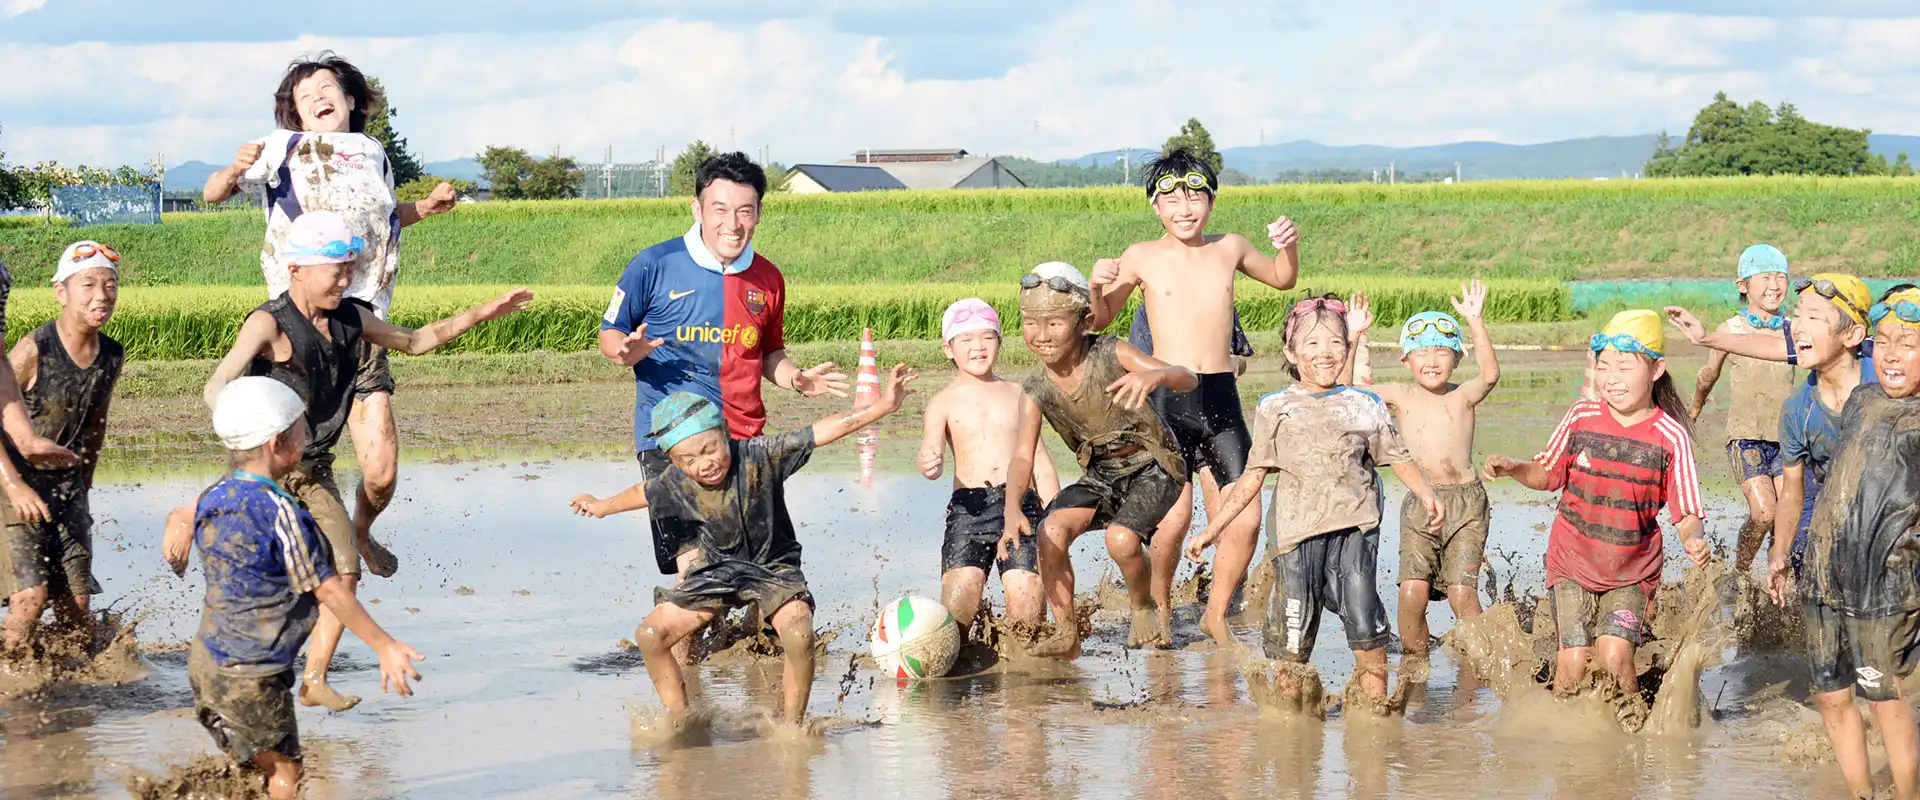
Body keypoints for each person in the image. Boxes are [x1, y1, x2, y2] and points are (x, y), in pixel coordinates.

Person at [184, 211, 527, 712]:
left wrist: (482, 314)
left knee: (344, 573)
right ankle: (230, 671)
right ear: (297, 268)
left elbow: (414, 341)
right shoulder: (268, 323)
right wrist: (245, 428)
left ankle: (313, 680)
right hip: (259, 473)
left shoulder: (351, 317)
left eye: (349, 269)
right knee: (252, 580)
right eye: (334, 270)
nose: (344, 279)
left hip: (313, 469)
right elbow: (217, 386)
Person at [201, 52, 462, 580]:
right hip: (297, 326)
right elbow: (212, 193)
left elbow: (384, 220)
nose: (319, 96)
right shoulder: (284, 147)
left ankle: (358, 531)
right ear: (294, 115)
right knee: (289, 462)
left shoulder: (374, 153)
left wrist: (424, 209)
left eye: (328, 87)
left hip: (360, 322)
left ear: (350, 100)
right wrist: (234, 167)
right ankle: (274, 553)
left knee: (382, 472)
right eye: (305, 95)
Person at [573, 367, 916, 727]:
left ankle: (792, 728)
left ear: (724, 432)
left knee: (799, 634)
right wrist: (601, 505)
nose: (704, 464)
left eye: (709, 449)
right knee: (650, 635)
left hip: (774, 568)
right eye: (689, 460)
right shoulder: (675, 481)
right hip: (716, 571)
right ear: (675, 462)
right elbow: (641, 492)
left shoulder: (760, 454)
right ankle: (681, 721)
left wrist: (882, 406)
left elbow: (823, 431)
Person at [598, 152, 848, 601]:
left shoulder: (768, 277)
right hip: (672, 443)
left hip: (743, 441)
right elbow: (611, 332)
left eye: (744, 211)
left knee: (759, 565)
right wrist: (624, 351)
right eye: (720, 209)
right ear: (698, 209)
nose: (732, 223)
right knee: (695, 571)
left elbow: (768, 352)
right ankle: (686, 660)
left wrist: (796, 379)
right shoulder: (654, 265)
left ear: (758, 214)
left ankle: (751, 661)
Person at [1086, 147, 1301, 646]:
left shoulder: (1230, 247)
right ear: (1155, 208)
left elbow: (1283, 278)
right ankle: (1159, 610)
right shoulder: (1141, 256)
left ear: (1211, 201)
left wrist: (1289, 246)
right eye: (1173, 201)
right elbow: (1100, 321)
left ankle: (1216, 613)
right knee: (1173, 521)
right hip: (1167, 403)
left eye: (1196, 198)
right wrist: (1098, 287)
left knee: (1245, 520)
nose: (1185, 209)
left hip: (1222, 399)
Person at [1190, 294, 1443, 703]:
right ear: (1291, 351)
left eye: (1335, 344)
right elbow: (1254, 476)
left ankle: (1373, 719)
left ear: (1348, 347)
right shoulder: (1276, 407)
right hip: (1295, 539)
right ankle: (1291, 728)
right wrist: (1212, 529)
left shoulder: (1365, 404)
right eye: (1311, 345)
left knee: (1366, 630)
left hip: (1354, 532)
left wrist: (1428, 495)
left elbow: (1399, 458)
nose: (1325, 354)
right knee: (1293, 646)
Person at [188, 377, 423, 800]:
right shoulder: (281, 510)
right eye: (302, 429)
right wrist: (384, 645)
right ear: (279, 442)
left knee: (249, 764)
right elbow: (328, 589)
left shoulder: (213, 495)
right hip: (253, 671)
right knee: (287, 771)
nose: (308, 436)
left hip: (206, 663)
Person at [1482, 310, 1710, 727]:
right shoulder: (1581, 417)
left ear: (1657, 369)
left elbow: (1687, 511)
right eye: (1603, 366)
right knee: (1571, 661)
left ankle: (1629, 731)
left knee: (1614, 653)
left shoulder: (1671, 435)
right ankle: (1574, 745)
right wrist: (1514, 467)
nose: (1611, 377)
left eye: (1624, 366)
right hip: (1571, 562)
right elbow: (1548, 474)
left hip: (1631, 572)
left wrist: (1693, 537)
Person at [997, 262, 1196, 659]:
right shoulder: (1036, 389)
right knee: (1050, 531)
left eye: (1054, 323)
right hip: (1103, 474)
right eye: (1031, 324)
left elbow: (1187, 377)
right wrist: (1011, 509)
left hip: (1154, 465)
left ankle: (1142, 605)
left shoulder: (1110, 351)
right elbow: (1022, 455)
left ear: (1084, 321)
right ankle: (1067, 634)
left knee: (1120, 539)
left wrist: (1153, 377)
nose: (1042, 335)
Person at [1738, 274, 1879, 797]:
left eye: (1813, 317)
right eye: (1795, 317)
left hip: (1888, 535)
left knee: (1884, 670)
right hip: (1824, 531)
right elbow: (1792, 494)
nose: (1797, 326)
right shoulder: (1798, 409)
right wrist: (1777, 553)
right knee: (1838, 664)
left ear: (1851, 334)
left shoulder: (1885, 381)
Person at [1797, 284, 1920, 800]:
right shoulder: (1862, 398)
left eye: (1908, 344)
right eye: (1885, 341)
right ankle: (1860, 794)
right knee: (1832, 698)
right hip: (1825, 573)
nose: (1891, 354)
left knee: (1885, 701)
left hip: (1885, 584)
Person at [1349, 280, 1500, 678]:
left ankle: (1482, 670)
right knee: (1411, 593)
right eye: (1421, 352)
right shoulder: (1399, 394)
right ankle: (1415, 670)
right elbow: (1350, 391)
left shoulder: (1463, 394)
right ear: (1405, 360)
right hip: (1420, 503)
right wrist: (1355, 336)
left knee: (1461, 594)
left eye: (1441, 352)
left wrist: (1475, 321)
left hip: (1466, 503)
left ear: (1456, 358)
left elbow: (1489, 374)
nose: (1431, 360)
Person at [0, 242, 124, 651]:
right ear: (61, 292)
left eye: (110, 285)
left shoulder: (111, 354)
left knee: (77, 604)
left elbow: (96, 424)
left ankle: (66, 679)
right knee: (30, 599)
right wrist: (13, 483)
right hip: (15, 484)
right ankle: (11, 678)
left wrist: (84, 487)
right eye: (87, 284)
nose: (100, 295)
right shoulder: (35, 348)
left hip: (67, 488)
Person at [915, 298, 1060, 636]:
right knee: (960, 598)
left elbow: (1040, 460)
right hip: (970, 508)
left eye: (987, 337)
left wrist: (1056, 516)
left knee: (1026, 598)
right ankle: (961, 655)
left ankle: (1024, 670)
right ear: (948, 349)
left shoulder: (1019, 393)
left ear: (999, 341)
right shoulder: (943, 402)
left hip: (1022, 504)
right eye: (966, 340)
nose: (978, 346)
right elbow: (930, 450)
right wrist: (929, 463)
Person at [1689, 244, 1795, 571]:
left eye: (1781, 277)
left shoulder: (1793, 329)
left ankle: (1781, 582)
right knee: (1764, 513)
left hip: (1787, 439)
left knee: (1788, 520)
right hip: (1746, 438)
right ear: (1743, 285)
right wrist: (1694, 409)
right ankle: (1743, 573)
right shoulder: (1730, 330)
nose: (1775, 285)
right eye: (1765, 277)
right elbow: (1708, 374)